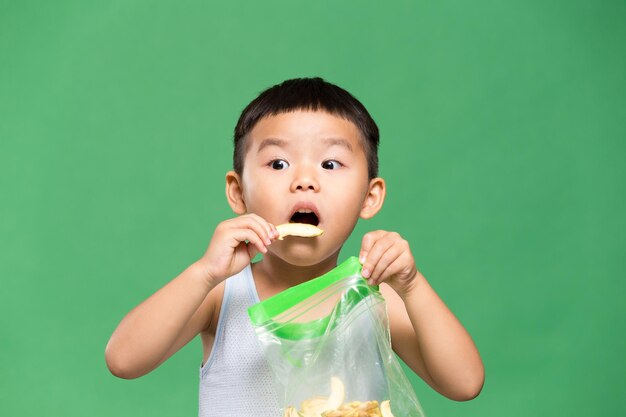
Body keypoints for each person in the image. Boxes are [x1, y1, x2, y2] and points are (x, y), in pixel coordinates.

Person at [105, 77, 485, 416]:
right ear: (238, 192)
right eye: (279, 163)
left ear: (370, 197)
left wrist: (413, 285)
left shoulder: (373, 293)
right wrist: (204, 273)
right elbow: (124, 360)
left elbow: (464, 384)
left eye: (331, 164)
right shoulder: (223, 293)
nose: (304, 180)